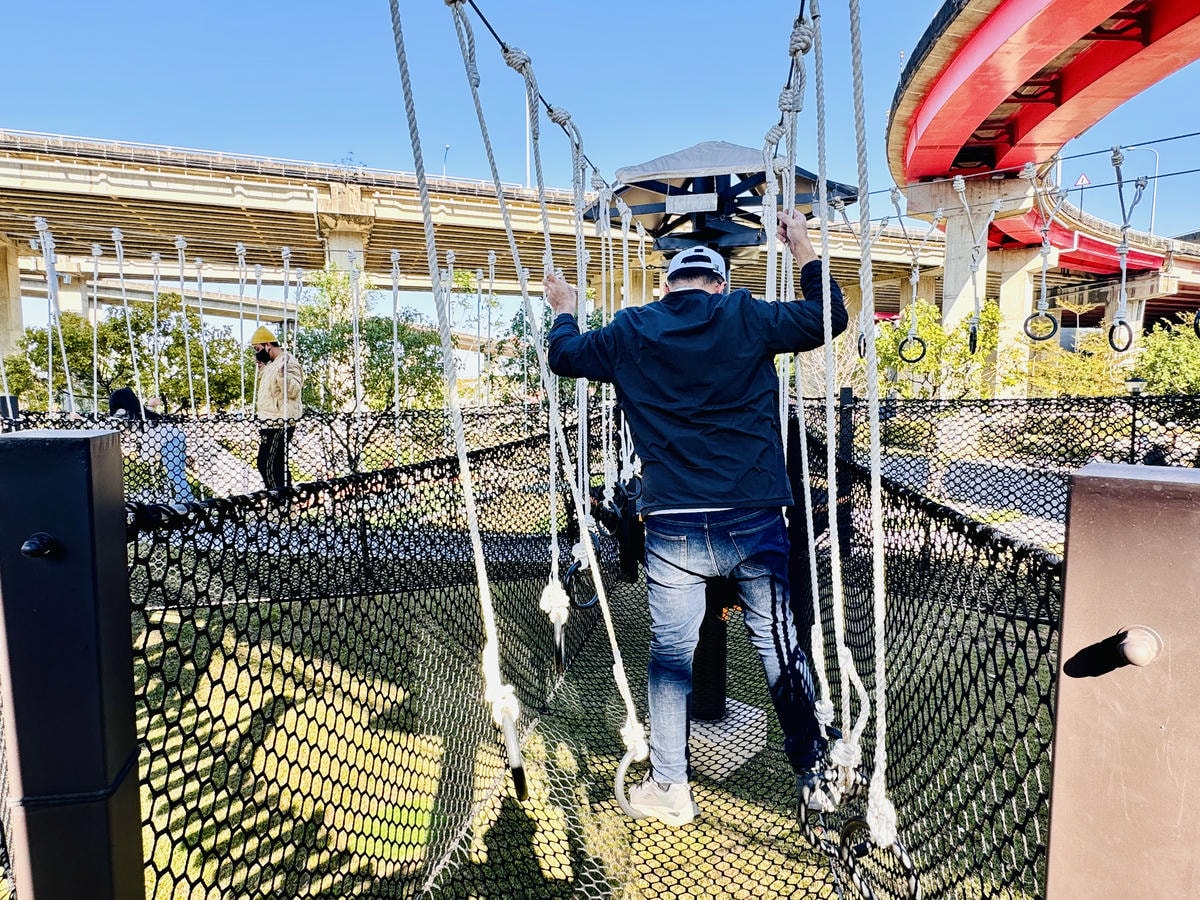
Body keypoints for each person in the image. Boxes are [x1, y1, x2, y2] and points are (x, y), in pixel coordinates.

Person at [545, 208, 848, 826]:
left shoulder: (631, 328)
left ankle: (671, 787)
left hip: (675, 522)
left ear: (667, 286)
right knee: (778, 642)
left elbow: (564, 357)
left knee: (671, 653)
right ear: (719, 283)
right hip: (754, 515)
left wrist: (565, 305)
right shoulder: (744, 315)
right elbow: (828, 318)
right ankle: (813, 773)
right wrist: (803, 248)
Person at [108, 387, 194, 504]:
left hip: (168, 441)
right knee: (177, 471)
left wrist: (82, 419)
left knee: (174, 472)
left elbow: (108, 423)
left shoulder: (123, 413)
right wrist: (150, 405)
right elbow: (144, 418)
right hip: (176, 436)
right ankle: (182, 496)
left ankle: (187, 500)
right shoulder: (137, 412)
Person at [250, 325, 304, 490]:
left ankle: (280, 500)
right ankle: (283, 498)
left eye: (258, 349)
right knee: (273, 464)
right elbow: (272, 392)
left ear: (268, 345)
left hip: (281, 422)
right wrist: (262, 369)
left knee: (269, 464)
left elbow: (294, 390)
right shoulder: (272, 365)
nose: (257, 353)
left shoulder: (289, 362)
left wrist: (282, 373)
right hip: (270, 422)